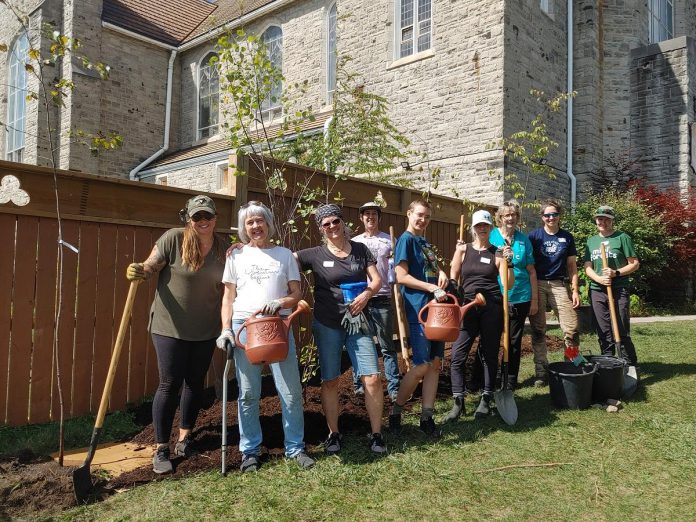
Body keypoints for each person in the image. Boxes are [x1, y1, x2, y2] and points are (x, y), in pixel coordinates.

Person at [126, 195, 230, 474]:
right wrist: (142, 270)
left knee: (195, 383)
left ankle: (185, 438)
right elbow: (153, 263)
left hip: (206, 329)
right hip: (169, 327)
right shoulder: (173, 238)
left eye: (207, 216)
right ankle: (161, 447)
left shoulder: (224, 249)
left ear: (215, 219)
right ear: (188, 219)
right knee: (169, 383)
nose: (203, 221)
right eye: (197, 217)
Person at [216, 201, 314, 472]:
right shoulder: (235, 256)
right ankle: (250, 451)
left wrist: (281, 301)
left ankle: (295, 448)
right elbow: (228, 297)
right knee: (248, 393)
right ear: (244, 228)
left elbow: (297, 295)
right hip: (245, 326)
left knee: (290, 391)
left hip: (277, 325)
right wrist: (226, 328)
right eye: (250, 222)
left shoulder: (285, 255)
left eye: (260, 221)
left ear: (269, 224)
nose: (256, 226)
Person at [295, 204, 387, 456]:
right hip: (328, 324)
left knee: (372, 377)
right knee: (330, 380)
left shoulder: (360, 249)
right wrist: (244, 247)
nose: (332, 227)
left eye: (335, 221)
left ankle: (377, 434)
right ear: (321, 229)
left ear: (343, 222)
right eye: (326, 224)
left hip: (359, 321)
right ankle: (333, 433)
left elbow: (377, 279)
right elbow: (283, 260)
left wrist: (367, 294)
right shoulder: (314, 254)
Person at [443, 209, 514, 420]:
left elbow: (508, 284)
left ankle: (486, 397)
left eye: (485, 225)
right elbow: (453, 277)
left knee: (490, 354)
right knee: (457, 355)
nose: (482, 228)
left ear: (490, 228)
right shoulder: (463, 250)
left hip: (491, 307)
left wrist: (509, 263)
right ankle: (458, 401)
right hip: (468, 307)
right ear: (473, 229)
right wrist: (453, 296)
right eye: (478, 226)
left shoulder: (498, 252)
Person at [389, 199, 449, 437]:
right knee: (422, 365)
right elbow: (401, 276)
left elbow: (430, 270)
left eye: (426, 217)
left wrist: (441, 272)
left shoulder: (424, 242)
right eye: (419, 215)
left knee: (435, 365)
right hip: (420, 310)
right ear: (409, 214)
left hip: (437, 310)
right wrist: (430, 288)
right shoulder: (406, 240)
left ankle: (427, 417)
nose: (422, 220)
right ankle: (395, 411)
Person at [351, 201, 400, 401]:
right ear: (361, 218)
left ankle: (394, 387)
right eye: (366, 214)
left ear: (379, 218)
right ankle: (359, 385)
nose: (370, 217)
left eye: (374, 214)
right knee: (360, 344)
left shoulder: (389, 241)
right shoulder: (354, 242)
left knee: (387, 345)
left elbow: (396, 268)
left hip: (382, 298)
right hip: (361, 299)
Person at [528, 199, 581, 386]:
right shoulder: (534, 237)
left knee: (571, 328)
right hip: (538, 283)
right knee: (538, 329)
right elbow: (528, 264)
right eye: (547, 215)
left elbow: (572, 266)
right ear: (542, 217)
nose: (551, 218)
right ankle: (541, 372)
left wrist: (575, 290)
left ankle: (572, 364)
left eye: (554, 214)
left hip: (559, 284)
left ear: (559, 216)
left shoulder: (567, 237)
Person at [583, 205, 640, 367]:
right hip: (597, 289)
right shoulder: (592, 241)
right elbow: (588, 266)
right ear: (595, 220)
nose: (603, 222)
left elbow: (634, 264)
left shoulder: (622, 238)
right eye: (600, 219)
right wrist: (599, 279)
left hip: (618, 288)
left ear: (612, 220)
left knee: (621, 326)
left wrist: (615, 273)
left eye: (607, 219)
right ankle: (608, 362)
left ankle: (629, 364)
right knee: (603, 328)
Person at [489, 200, 537, 389]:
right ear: (500, 217)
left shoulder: (523, 240)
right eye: (506, 215)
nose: (510, 218)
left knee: (514, 341)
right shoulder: (492, 237)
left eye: (514, 215)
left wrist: (534, 300)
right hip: (496, 295)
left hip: (520, 296)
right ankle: (488, 379)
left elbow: (531, 270)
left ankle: (509, 379)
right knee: (491, 339)